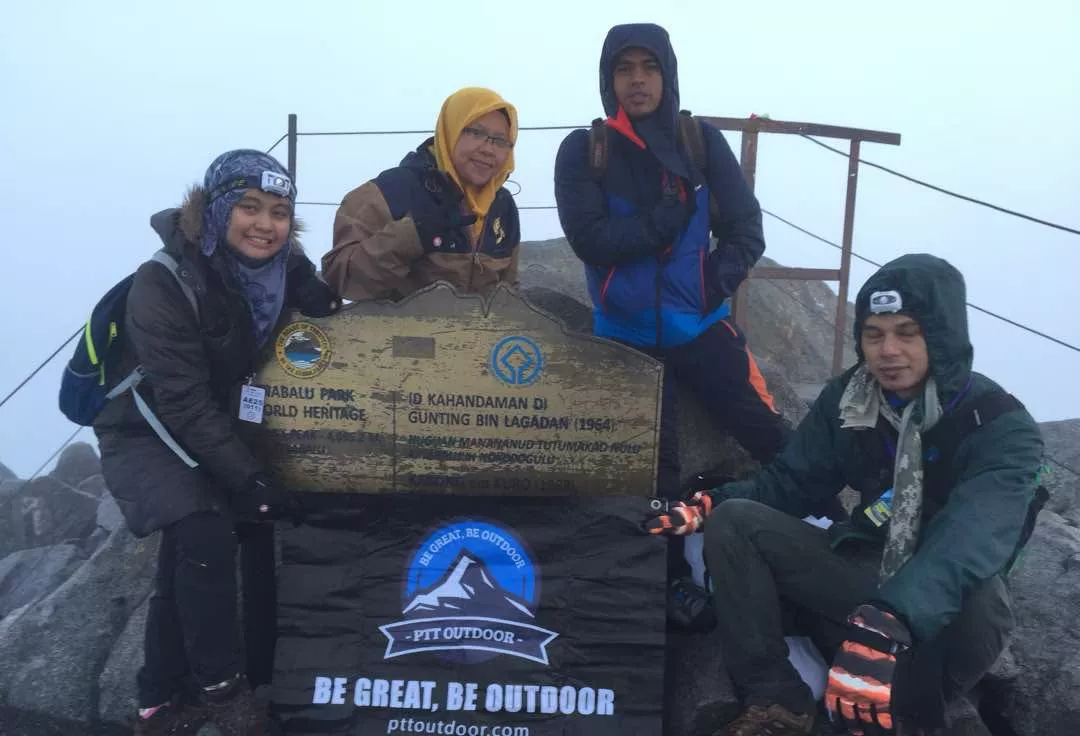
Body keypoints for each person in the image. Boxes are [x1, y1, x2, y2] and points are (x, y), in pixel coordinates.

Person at [646, 253, 1045, 735]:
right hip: (866, 567)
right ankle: (776, 700)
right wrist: (708, 505)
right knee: (735, 521)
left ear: (942, 336)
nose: (888, 350)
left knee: (981, 600)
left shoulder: (999, 423)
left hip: (948, 609)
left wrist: (891, 621)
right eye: (873, 334)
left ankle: (900, 704)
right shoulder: (851, 399)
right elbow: (792, 482)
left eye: (907, 332)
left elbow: (972, 534)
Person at [92, 150, 340, 736]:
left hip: (212, 419)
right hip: (144, 426)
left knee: (204, 541)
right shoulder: (163, 282)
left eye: (280, 212)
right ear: (217, 208)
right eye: (249, 207)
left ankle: (158, 694)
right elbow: (181, 402)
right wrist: (248, 477)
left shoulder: (282, 268)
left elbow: (307, 299)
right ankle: (220, 690)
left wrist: (317, 293)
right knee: (204, 524)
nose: (265, 224)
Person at [553, 22, 792, 631]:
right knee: (646, 466)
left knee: (766, 432)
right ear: (608, 79)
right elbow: (591, 241)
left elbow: (746, 230)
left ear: (668, 73)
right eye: (624, 68)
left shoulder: (699, 142)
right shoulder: (585, 152)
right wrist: (665, 221)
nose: (637, 80)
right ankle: (671, 584)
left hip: (699, 323)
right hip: (622, 335)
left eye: (649, 67)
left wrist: (709, 286)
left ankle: (817, 538)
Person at [322, 86, 521, 301]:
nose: (488, 149)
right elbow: (343, 279)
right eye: (476, 132)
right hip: (395, 334)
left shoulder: (503, 206)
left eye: (500, 140)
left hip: (477, 335)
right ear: (450, 130)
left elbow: (508, 291)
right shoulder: (389, 193)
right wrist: (411, 235)